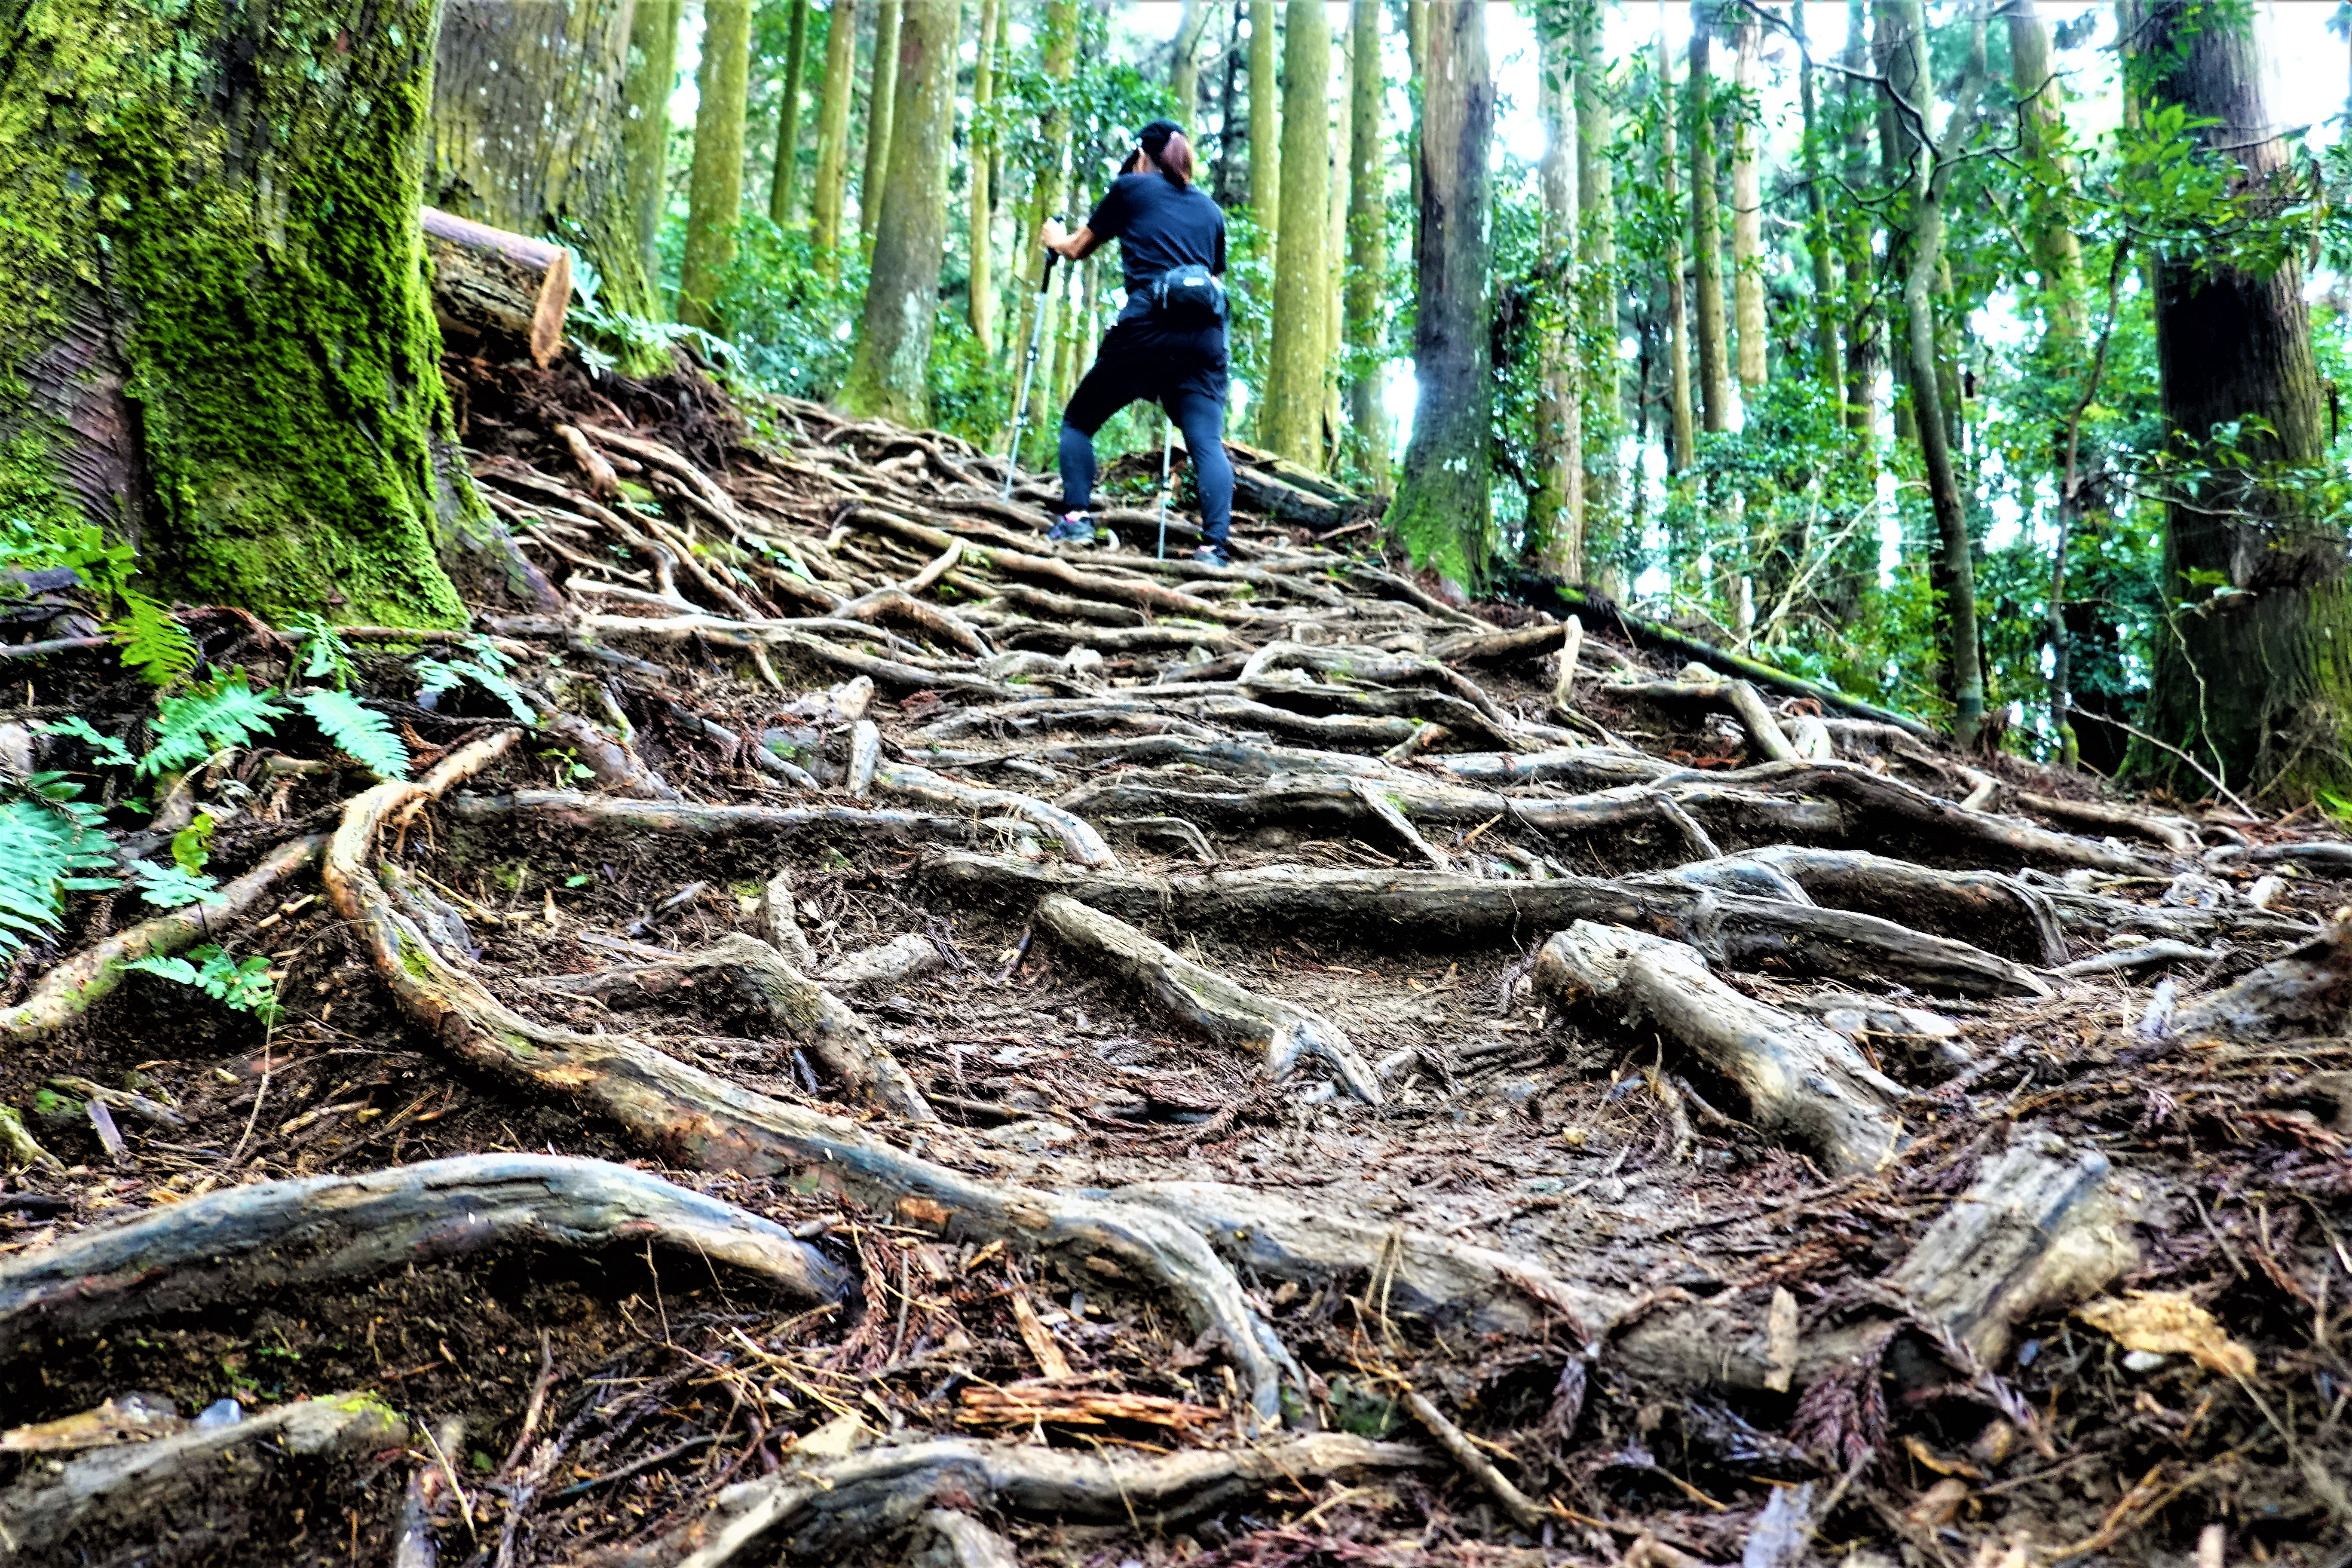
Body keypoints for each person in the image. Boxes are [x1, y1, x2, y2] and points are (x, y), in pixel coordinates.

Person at [1040, 119, 1237, 567]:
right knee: (1206, 442)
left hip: (1147, 326)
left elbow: (1077, 248)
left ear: (1143, 156)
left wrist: (1054, 238)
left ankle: (1076, 519)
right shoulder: (1210, 211)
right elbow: (1212, 275)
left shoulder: (1131, 188)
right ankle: (1214, 549)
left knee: (1078, 423)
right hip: (1206, 336)